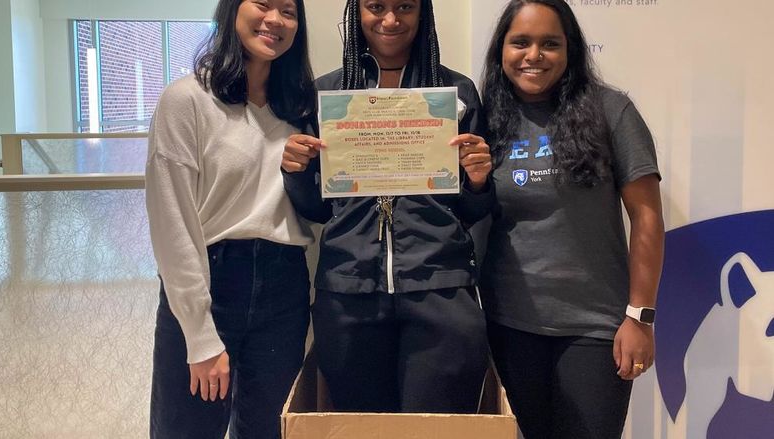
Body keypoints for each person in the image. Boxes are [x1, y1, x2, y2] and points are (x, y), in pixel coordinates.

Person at [281, 0, 493, 414]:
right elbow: (319, 211)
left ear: (423, 14)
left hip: (440, 291)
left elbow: (472, 211)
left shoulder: (457, 92)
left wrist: (480, 180)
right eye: (377, 6)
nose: (391, 20)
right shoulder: (328, 94)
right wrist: (294, 171)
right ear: (357, 12)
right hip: (348, 293)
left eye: (404, 7)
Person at [479, 1, 665, 438]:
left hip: (595, 328)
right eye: (520, 42)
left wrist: (640, 318)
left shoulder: (611, 110)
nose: (533, 55)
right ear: (501, 50)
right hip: (509, 327)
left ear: (571, 51)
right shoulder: (483, 118)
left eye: (550, 44)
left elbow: (647, 216)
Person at [144, 0, 315, 437]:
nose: (275, 20)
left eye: (289, 12)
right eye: (263, 4)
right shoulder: (186, 99)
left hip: (284, 286)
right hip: (212, 281)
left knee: (268, 429)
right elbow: (172, 223)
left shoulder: (299, 108)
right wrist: (200, 334)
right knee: (187, 428)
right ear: (232, 10)